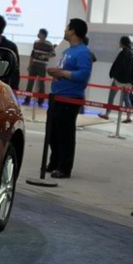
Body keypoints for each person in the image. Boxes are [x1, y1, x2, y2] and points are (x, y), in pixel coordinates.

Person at [45, 18, 93, 178]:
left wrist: (63, 73)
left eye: (67, 28)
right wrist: (56, 73)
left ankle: (64, 167)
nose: (65, 31)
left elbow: (83, 75)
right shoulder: (67, 51)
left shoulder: (83, 52)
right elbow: (64, 71)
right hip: (57, 96)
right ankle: (54, 162)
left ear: (73, 31)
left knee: (65, 134)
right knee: (53, 132)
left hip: (70, 98)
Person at [99, 36, 133, 121]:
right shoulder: (131, 54)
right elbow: (132, 69)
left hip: (119, 80)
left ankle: (107, 113)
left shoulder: (123, 53)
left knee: (111, 96)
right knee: (126, 98)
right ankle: (128, 117)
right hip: (128, 82)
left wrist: (113, 74)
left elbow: (118, 66)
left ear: (122, 43)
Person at [23, 28, 54, 106]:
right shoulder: (36, 42)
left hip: (42, 66)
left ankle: (40, 102)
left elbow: (53, 54)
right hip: (34, 65)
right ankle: (27, 100)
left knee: (41, 84)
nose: (38, 34)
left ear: (43, 35)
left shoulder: (49, 44)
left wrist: (45, 56)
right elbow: (32, 54)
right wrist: (30, 65)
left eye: (39, 33)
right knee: (30, 84)